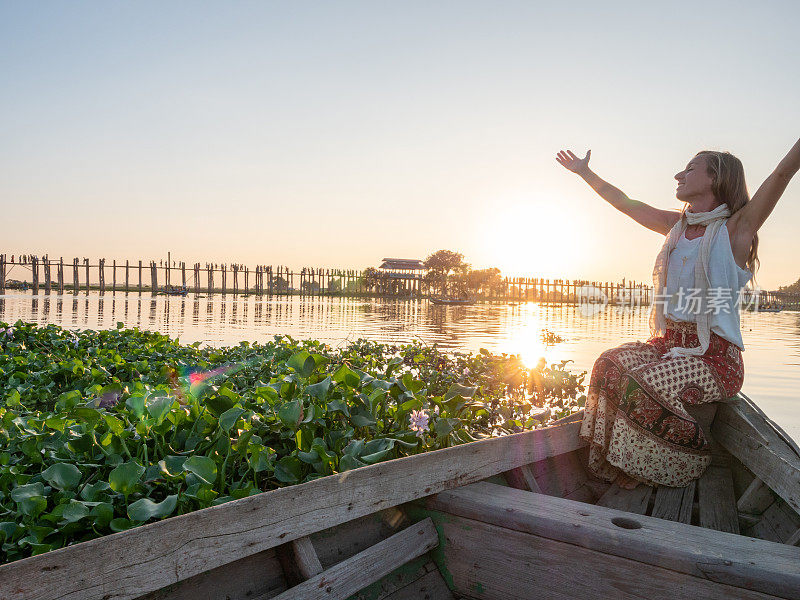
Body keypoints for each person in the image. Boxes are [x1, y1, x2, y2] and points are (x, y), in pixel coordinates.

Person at [557, 137, 800, 489]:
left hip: (715, 358)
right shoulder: (677, 227)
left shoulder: (736, 230)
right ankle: (610, 463)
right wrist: (585, 173)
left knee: (644, 382)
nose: (678, 174)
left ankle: (682, 463)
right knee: (608, 362)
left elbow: (781, 173)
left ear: (715, 179)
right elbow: (626, 204)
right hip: (669, 343)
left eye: (689, 169)